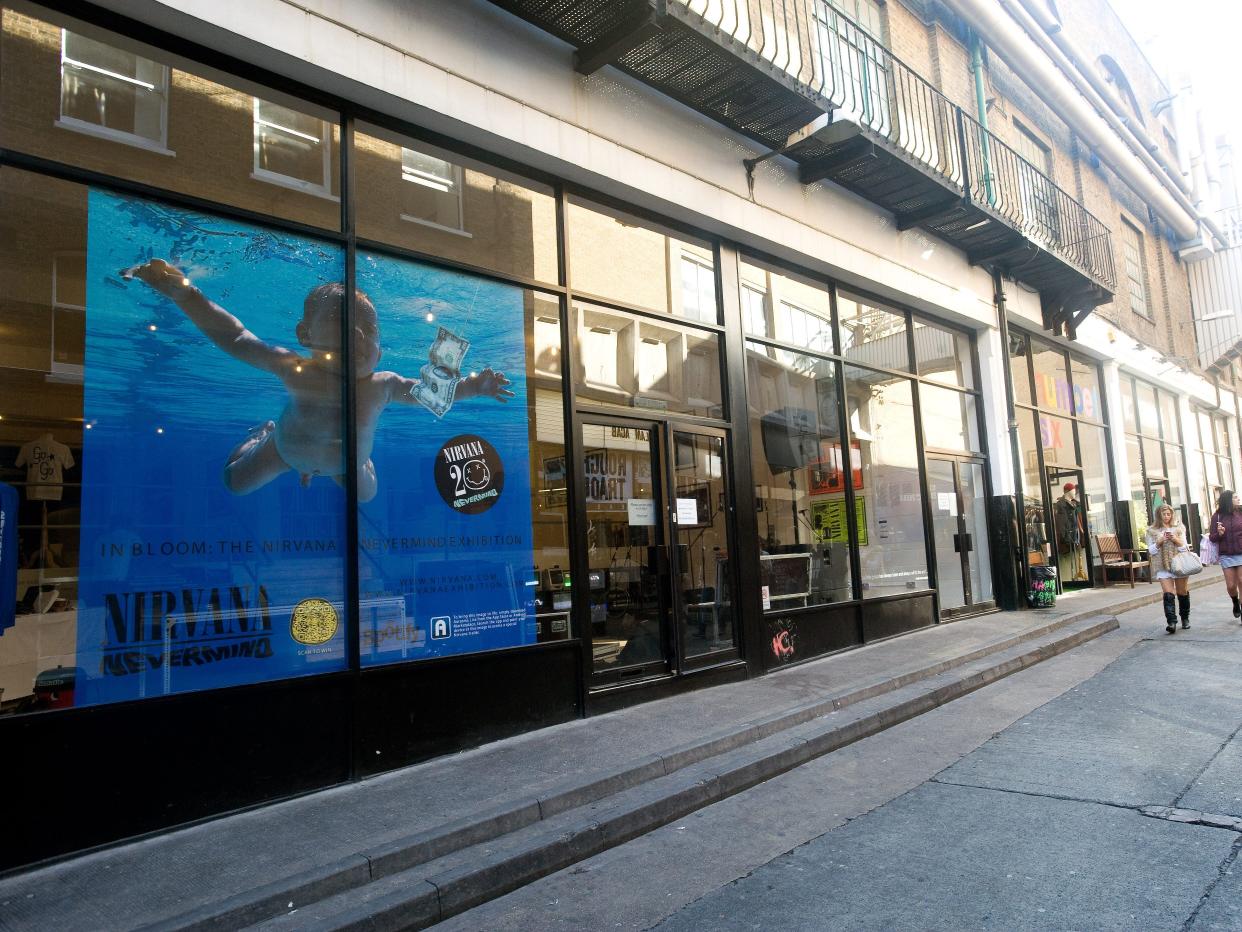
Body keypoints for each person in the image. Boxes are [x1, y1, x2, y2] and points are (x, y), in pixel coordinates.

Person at [125, 259, 513, 502]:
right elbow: (237, 337)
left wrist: (475, 386)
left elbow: (433, 394)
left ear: (380, 349)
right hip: (284, 450)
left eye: (369, 329)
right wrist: (186, 294)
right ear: (304, 335)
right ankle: (264, 434)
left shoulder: (384, 384)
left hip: (344, 464)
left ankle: (361, 463)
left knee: (367, 496)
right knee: (234, 482)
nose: (358, 336)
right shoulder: (295, 368)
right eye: (342, 324)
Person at [1146, 503, 1191, 633]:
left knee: (1182, 592)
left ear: (1172, 515)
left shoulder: (1179, 528)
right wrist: (1159, 542)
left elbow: (1185, 548)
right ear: (1158, 516)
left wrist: (1175, 539)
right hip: (1162, 566)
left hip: (1179, 564)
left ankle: (1185, 618)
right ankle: (1171, 622)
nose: (1166, 516)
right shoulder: (1151, 531)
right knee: (1168, 594)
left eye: (1168, 514)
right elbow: (1151, 551)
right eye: (1163, 514)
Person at [1208, 489, 1242, 622]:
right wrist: (1219, 534)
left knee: (1241, 580)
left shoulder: (1241, 512)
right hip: (1226, 554)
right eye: (1235, 497)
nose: (1238, 499)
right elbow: (1212, 538)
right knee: (1231, 585)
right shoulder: (1217, 516)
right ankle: (1235, 600)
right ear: (1228, 500)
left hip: (1241, 552)